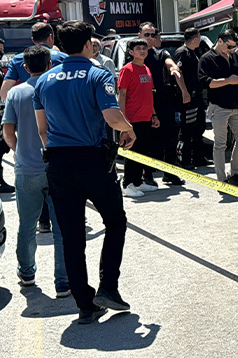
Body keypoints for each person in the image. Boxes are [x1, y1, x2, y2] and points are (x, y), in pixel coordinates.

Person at [34, 20, 137, 324]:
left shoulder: (44, 80)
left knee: (71, 235)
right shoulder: (97, 73)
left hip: (58, 162)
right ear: (89, 44)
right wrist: (128, 130)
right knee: (115, 221)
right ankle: (108, 287)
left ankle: (85, 303)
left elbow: (42, 129)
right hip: (91, 159)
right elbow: (111, 116)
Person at [2, 45, 68, 296]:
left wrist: (19, 150)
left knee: (27, 225)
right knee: (61, 226)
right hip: (57, 167)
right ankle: (63, 281)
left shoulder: (16, 93)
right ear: (50, 64)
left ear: (25, 67)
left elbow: (8, 131)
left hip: (26, 168)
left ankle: (27, 271)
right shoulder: (57, 88)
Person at [0, 23, 67, 194]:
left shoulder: (18, 59)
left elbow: (4, 92)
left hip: (27, 126)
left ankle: (43, 219)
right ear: (51, 36)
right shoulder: (62, 58)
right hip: (57, 125)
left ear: (33, 40)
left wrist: (19, 107)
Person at [198, 28, 238, 188]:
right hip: (219, 107)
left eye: (233, 46)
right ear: (219, 41)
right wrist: (229, 81)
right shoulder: (207, 58)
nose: (231, 49)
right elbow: (207, 82)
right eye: (229, 46)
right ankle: (221, 179)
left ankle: (234, 174)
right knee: (220, 144)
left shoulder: (232, 55)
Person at [139, 23, 188, 186]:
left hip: (161, 99)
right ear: (140, 35)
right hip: (142, 101)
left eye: (153, 35)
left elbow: (170, 62)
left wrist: (174, 70)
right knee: (146, 139)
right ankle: (147, 174)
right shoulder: (134, 55)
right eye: (147, 35)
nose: (150, 38)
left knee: (171, 135)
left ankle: (170, 173)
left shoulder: (161, 53)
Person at [117, 39, 160, 197]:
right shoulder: (127, 69)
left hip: (146, 117)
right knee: (132, 152)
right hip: (132, 119)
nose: (142, 51)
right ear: (131, 52)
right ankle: (127, 184)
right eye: (138, 48)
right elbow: (122, 95)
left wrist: (154, 115)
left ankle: (137, 182)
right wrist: (123, 121)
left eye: (144, 48)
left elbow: (149, 94)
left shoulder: (147, 69)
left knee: (143, 151)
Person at [173, 28, 209, 168]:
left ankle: (199, 157)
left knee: (198, 128)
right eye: (199, 38)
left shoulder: (193, 53)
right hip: (188, 97)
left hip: (197, 97)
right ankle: (184, 160)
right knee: (187, 130)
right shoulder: (182, 52)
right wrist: (184, 92)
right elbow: (177, 73)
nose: (199, 41)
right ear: (195, 38)